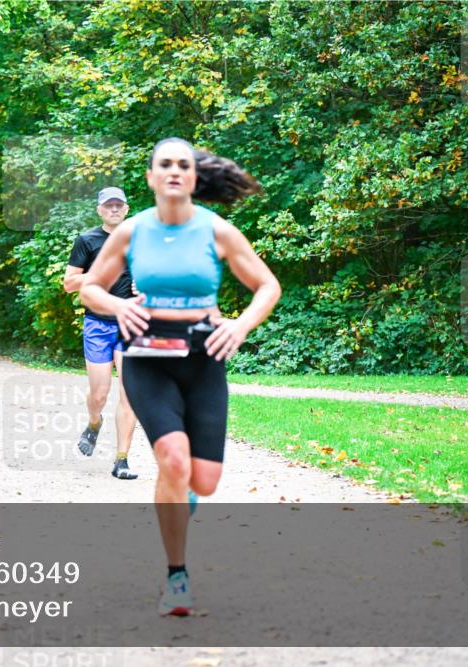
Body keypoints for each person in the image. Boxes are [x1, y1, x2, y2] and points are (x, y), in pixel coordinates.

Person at [80, 138, 281, 616]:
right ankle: (177, 575)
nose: (173, 171)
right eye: (164, 165)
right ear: (150, 178)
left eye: (183, 165)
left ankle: (185, 485)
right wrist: (117, 305)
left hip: (203, 358)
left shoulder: (217, 231)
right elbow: (90, 286)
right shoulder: (131, 231)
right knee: (171, 457)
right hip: (147, 358)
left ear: (194, 177)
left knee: (204, 481)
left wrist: (240, 324)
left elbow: (268, 285)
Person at [64, 187, 140, 480]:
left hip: (130, 323)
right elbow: (69, 283)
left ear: (126, 208)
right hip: (98, 324)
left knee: (130, 392)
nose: (114, 209)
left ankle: (122, 459)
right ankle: (94, 423)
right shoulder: (88, 241)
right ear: (99, 210)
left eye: (118, 205)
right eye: (108, 205)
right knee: (99, 393)